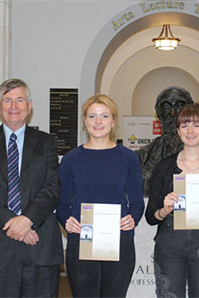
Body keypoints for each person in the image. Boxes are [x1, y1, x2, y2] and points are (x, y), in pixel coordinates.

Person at [0, 78, 63, 297]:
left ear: (29, 106)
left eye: (20, 100)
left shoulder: (47, 143)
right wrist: (14, 224)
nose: (13, 107)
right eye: (7, 100)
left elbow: (52, 187)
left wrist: (27, 220)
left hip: (41, 248)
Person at [56, 94, 144, 297]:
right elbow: (61, 204)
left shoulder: (129, 159)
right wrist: (66, 220)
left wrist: (133, 218)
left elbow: (137, 202)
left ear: (113, 121)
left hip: (119, 241)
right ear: (85, 121)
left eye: (104, 116)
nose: (98, 122)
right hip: (81, 241)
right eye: (92, 116)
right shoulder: (71, 159)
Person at [145, 103, 199, 298]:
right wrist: (164, 210)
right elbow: (151, 217)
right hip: (168, 246)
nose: (190, 131)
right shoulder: (164, 167)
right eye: (184, 125)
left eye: (196, 125)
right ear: (177, 130)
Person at [136, 86, 199, 196]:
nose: (173, 113)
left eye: (179, 106)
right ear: (158, 113)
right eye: (166, 106)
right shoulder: (143, 156)